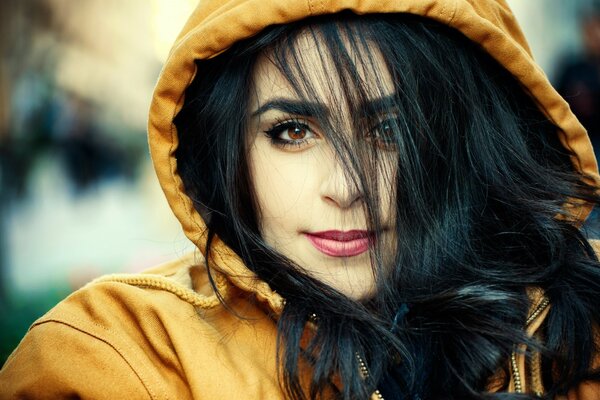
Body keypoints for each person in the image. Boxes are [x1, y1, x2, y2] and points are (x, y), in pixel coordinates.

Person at [1, 0, 600, 399]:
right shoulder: (122, 355)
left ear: (467, 140)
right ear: (230, 150)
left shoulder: (578, 327)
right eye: (292, 131)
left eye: (390, 131)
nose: (344, 187)